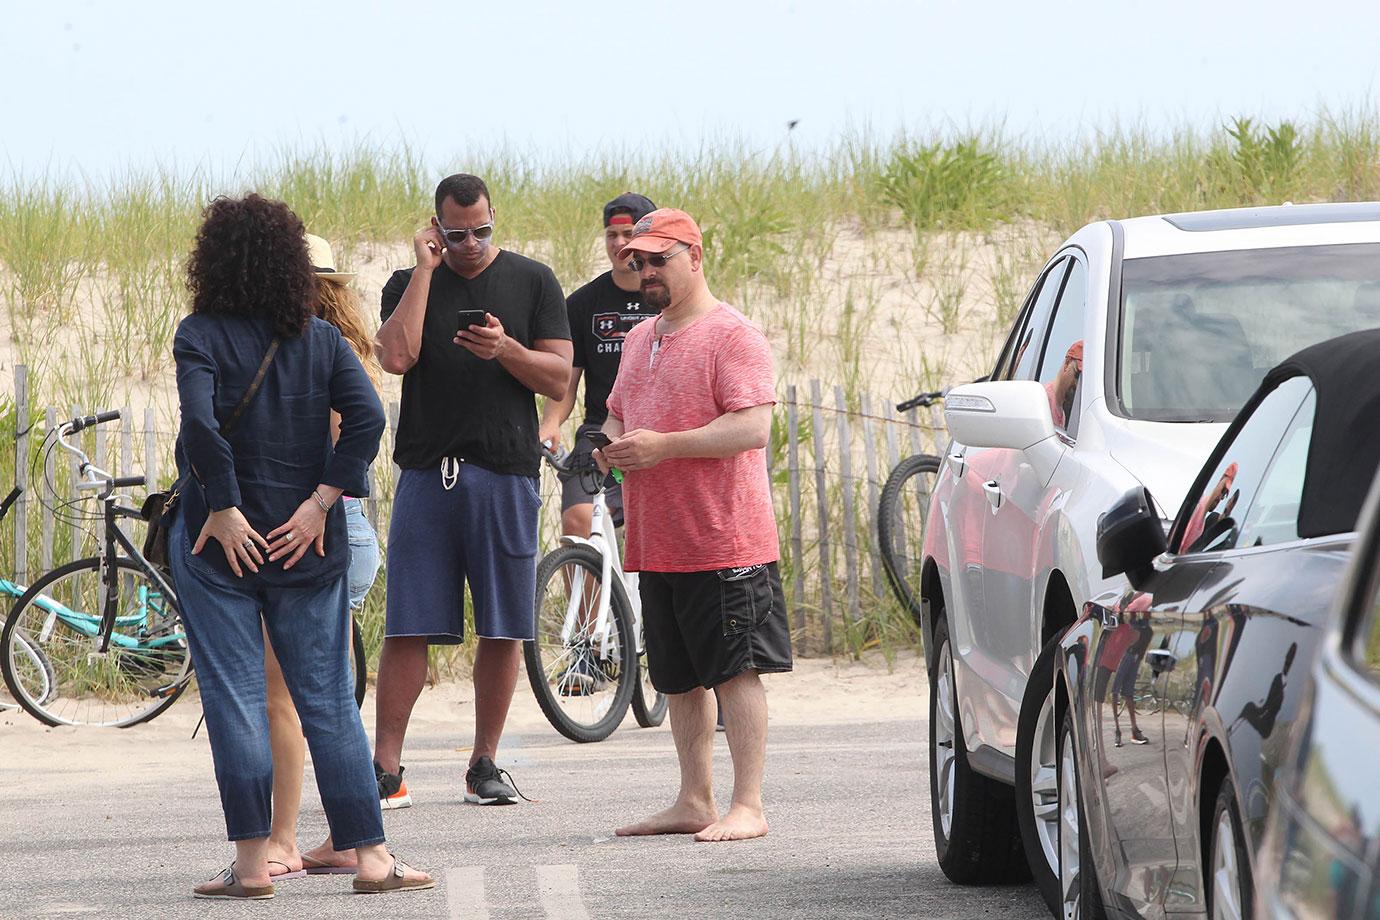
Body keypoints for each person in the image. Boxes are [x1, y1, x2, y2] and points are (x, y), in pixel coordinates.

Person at [168, 193, 431, 898]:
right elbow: (372, 419)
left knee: (234, 697)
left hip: (216, 545)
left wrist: (222, 505)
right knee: (328, 703)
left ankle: (253, 866)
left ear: (213, 262)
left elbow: (199, 424)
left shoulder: (198, 334)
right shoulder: (320, 340)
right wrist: (321, 503)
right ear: (291, 264)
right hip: (304, 547)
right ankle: (373, 858)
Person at [372, 173, 572, 807]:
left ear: (495, 218)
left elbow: (559, 376)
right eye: (455, 234)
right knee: (407, 624)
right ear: (435, 227)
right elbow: (395, 357)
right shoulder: (407, 284)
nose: (469, 244)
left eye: (481, 231)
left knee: (502, 625)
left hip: (505, 473)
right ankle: (386, 769)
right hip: (429, 474)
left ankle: (485, 762)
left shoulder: (533, 280)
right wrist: (426, 270)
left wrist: (506, 349)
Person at [596, 208, 792, 842]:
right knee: (678, 678)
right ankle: (694, 798)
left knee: (736, 670)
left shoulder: (732, 334)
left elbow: (752, 427)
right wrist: (611, 444)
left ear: (695, 257)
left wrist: (664, 447)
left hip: (724, 536)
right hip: (658, 539)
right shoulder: (638, 338)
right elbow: (618, 415)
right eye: (637, 260)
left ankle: (750, 805)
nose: (645, 269)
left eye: (659, 259)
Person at [259, 234, 386, 877]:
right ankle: (347, 836)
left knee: (290, 697)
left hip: (326, 529)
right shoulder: (339, 351)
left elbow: (345, 442)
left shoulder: (315, 359)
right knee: (324, 694)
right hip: (348, 529)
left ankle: (283, 838)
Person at [539, 192, 657, 539]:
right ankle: (592, 597)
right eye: (611, 235)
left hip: (663, 435)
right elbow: (566, 383)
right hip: (601, 434)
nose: (619, 243)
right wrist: (549, 424)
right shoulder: (581, 303)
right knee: (577, 520)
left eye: (629, 234)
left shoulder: (669, 296)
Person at [1044, 340, 1082, 428]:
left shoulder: (1067, 410)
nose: (1078, 385)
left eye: (1083, 381)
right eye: (1077, 376)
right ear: (1067, 364)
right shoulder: (1042, 403)